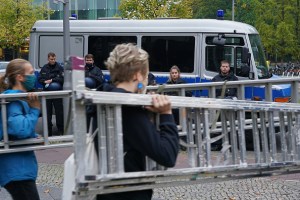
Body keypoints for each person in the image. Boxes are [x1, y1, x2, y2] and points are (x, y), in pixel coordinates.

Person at [97, 43, 179, 200]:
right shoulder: (128, 108)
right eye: (146, 75)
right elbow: (167, 155)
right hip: (128, 195)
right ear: (137, 75)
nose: (146, 80)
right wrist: (166, 114)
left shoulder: (102, 98)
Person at [0, 59, 41, 200]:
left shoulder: (16, 98)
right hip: (16, 169)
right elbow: (20, 130)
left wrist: (34, 135)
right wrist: (35, 110)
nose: (34, 76)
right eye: (31, 73)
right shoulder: (13, 100)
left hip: (18, 168)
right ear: (20, 77)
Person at [38, 52, 64, 136]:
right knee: (47, 113)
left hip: (57, 93)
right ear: (48, 59)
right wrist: (44, 81)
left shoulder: (59, 67)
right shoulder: (44, 68)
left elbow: (62, 79)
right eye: (51, 59)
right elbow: (39, 79)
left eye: (54, 59)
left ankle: (60, 130)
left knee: (59, 112)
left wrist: (52, 80)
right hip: (47, 93)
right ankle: (48, 132)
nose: (53, 61)